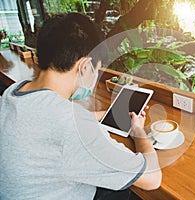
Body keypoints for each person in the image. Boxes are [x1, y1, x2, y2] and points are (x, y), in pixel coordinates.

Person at [0, 13, 161, 200]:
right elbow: (152, 178)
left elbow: (44, 125)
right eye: (97, 70)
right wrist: (138, 132)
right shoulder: (73, 126)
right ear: (85, 66)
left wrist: (100, 115)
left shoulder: (14, 92)